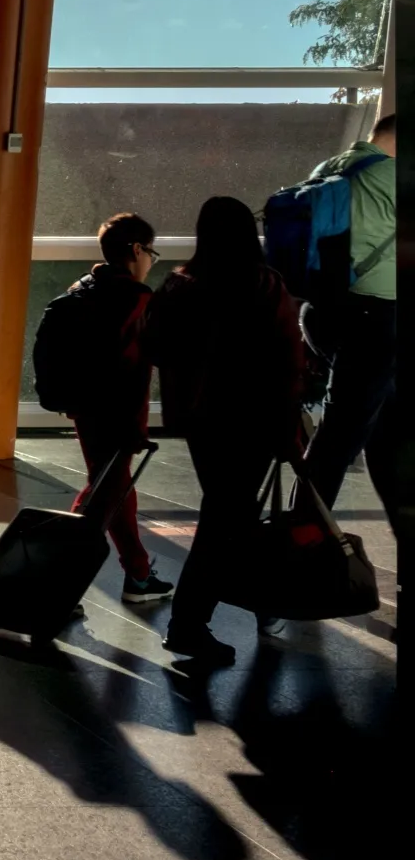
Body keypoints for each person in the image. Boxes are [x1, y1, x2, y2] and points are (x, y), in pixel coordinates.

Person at [142, 196, 306, 668]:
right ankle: (191, 623)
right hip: (253, 418)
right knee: (225, 520)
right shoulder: (263, 284)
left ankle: (216, 614)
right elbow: (287, 360)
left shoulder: (179, 284)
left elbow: (154, 346)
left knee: (225, 511)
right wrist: (291, 428)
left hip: (201, 419)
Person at [38, 213, 174, 602]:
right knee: (103, 494)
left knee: (113, 488)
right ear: (136, 250)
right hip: (119, 412)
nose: (151, 260)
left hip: (84, 406)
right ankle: (49, 582)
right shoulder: (134, 297)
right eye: (151, 252)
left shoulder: (83, 287)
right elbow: (150, 354)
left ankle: (139, 573)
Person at [299, 114, 396, 523]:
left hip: (322, 312)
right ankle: (302, 535)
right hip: (374, 318)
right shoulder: (391, 177)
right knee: (339, 440)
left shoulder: (327, 169)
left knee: (386, 432)